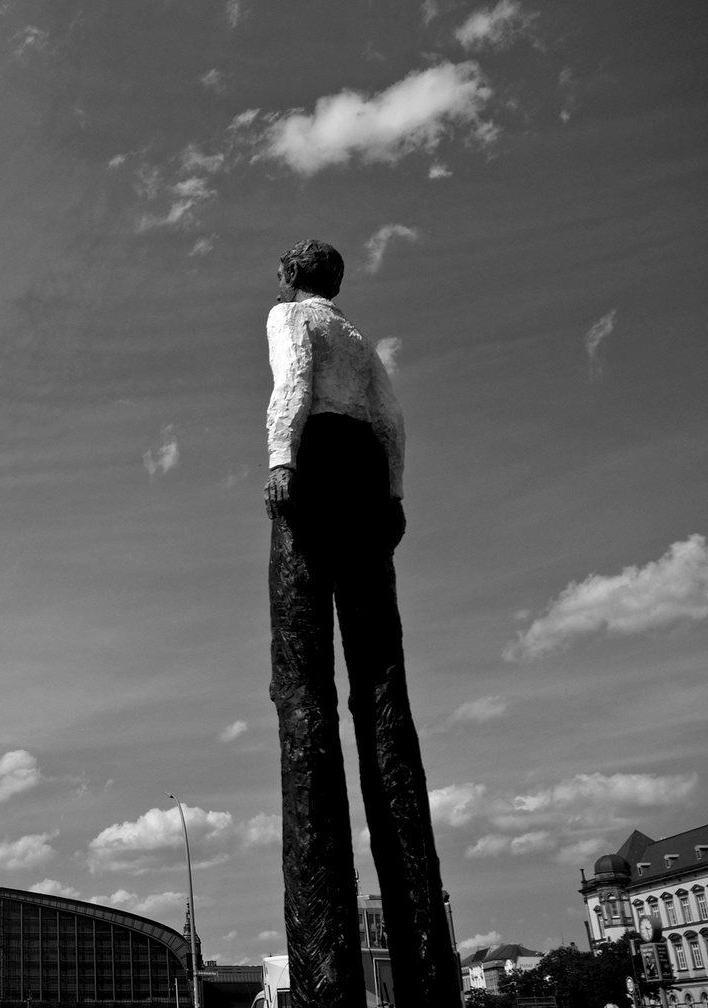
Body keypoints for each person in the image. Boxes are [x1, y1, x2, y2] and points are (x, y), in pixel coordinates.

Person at [263, 240, 458, 1006]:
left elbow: (295, 385)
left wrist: (282, 460)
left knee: (303, 682)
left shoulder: (291, 319)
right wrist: (396, 493)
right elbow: (389, 415)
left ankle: (328, 981)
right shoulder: (356, 336)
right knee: (382, 688)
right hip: (369, 479)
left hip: (316, 462)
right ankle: (429, 979)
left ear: (289, 277)